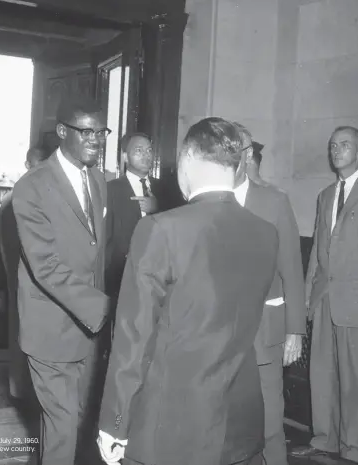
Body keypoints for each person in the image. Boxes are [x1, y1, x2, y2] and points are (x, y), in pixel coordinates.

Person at [98, 117, 279, 465]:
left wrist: (115, 422)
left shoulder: (160, 230)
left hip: (171, 429)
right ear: (238, 165)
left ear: (187, 160)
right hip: (241, 425)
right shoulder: (265, 232)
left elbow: (134, 339)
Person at [291, 126, 358, 464]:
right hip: (325, 300)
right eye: (333, 146)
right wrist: (309, 297)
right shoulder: (325, 195)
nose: (337, 151)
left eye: (345, 145)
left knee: (356, 381)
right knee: (321, 375)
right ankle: (324, 440)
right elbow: (317, 254)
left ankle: (353, 450)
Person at [13, 97, 111, 464]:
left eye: (101, 132)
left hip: (89, 332)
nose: (96, 140)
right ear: (61, 133)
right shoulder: (32, 187)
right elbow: (45, 266)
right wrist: (106, 308)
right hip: (50, 328)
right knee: (63, 425)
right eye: (86, 131)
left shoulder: (98, 179)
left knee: (79, 423)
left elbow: (96, 253)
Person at [233, 123, 305, 465]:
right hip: (217, 333)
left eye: (236, 150)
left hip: (265, 331)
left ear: (247, 156)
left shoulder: (274, 201)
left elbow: (292, 269)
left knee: (270, 422)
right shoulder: (202, 201)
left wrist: (295, 330)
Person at [1, 146, 49, 399]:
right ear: (28, 164)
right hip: (24, 281)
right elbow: (10, 247)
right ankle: (20, 392)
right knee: (21, 336)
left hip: (46, 284)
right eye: (35, 165)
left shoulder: (50, 195)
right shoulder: (15, 197)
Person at [105, 133, 162, 301]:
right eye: (138, 150)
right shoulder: (111, 190)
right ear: (125, 157)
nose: (146, 155)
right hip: (122, 274)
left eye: (149, 150)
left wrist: (157, 208)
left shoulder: (167, 188)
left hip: (158, 274)